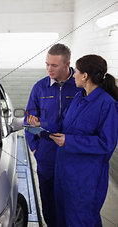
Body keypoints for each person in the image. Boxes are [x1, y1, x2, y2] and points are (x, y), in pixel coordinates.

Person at [50, 54, 118, 227]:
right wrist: (40, 124)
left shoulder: (107, 104)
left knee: (81, 219)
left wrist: (69, 142)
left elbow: (106, 143)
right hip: (64, 170)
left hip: (85, 177)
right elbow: (65, 125)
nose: (74, 75)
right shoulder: (79, 98)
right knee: (62, 216)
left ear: (85, 76)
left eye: (76, 72)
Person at [25, 43, 82, 226]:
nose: (49, 69)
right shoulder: (39, 87)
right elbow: (29, 121)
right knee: (48, 200)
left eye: (54, 65)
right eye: (47, 64)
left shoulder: (79, 85)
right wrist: (35, 148)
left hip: (73, 153)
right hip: (47, 155)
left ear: (67, 64)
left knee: (71, 200)